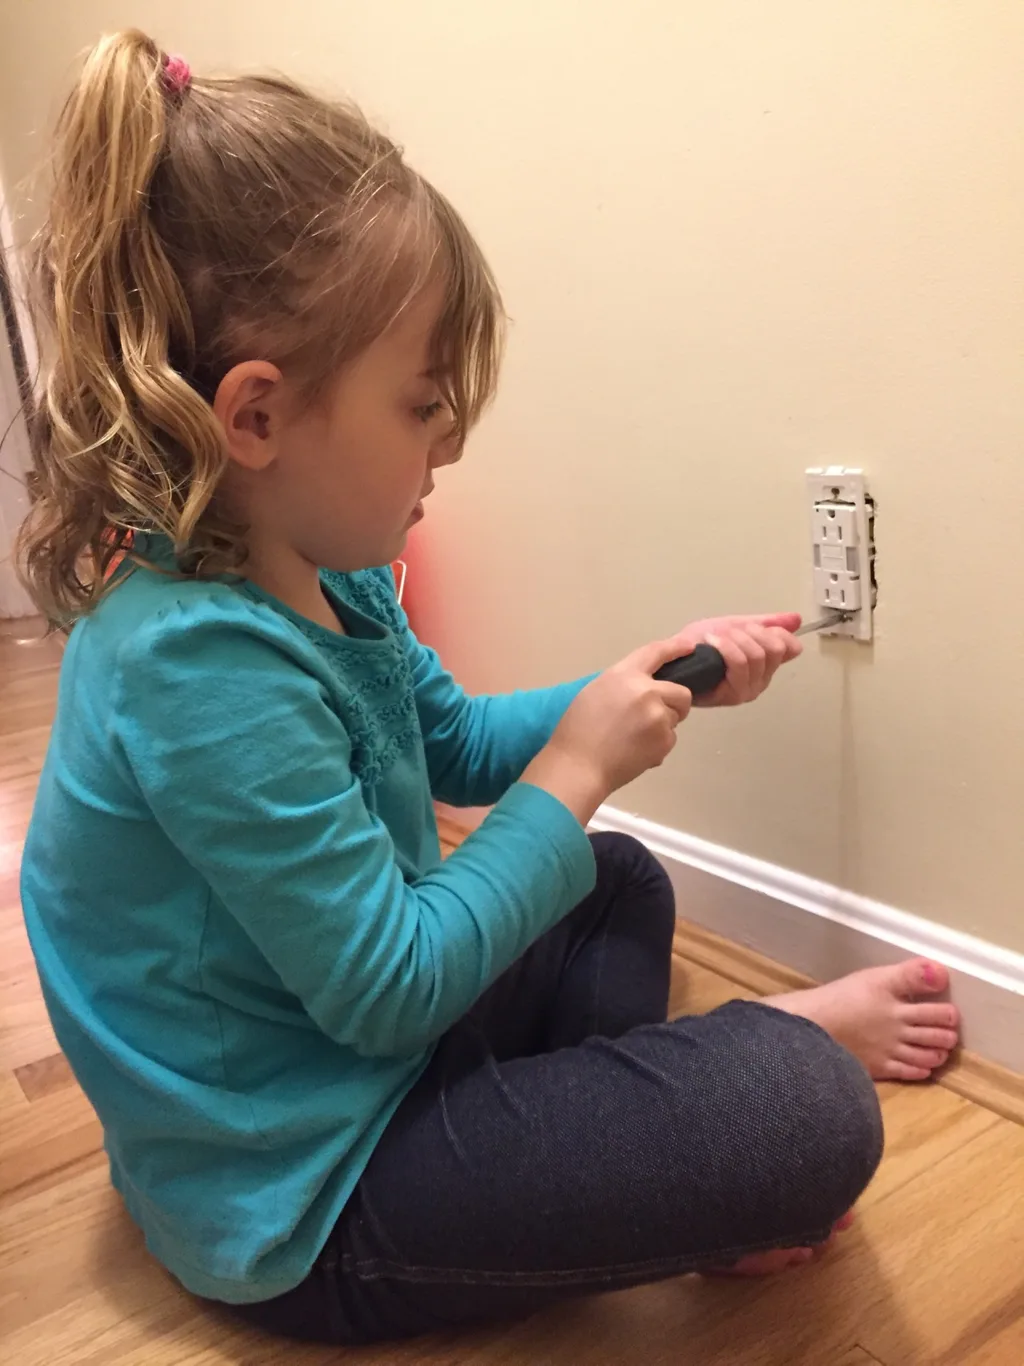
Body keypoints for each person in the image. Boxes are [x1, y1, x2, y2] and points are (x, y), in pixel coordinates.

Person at [17, 30, 960, 1347]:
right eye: (420, 404)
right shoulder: (190, 661)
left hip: (369, 1057)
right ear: (257, 416)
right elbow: (390, 987)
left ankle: (603, 1132)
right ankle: (689, 1095)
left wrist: (639, 687)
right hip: (303, 1195)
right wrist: (576, 766)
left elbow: (454, 739)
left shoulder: (326, 569)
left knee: (615, 879)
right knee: (811, 1115)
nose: (450, 439)